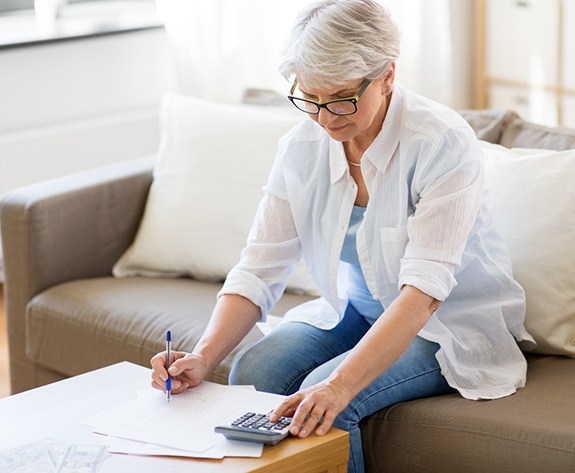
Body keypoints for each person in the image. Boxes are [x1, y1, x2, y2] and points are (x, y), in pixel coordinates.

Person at [151, 1, 536, 471]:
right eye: (310, 99)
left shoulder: (440, 143)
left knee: (324, 402)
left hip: (445, 324)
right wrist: (203, 356)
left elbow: (424, 294)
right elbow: (259, 266)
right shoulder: (302, 147)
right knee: (255, 370)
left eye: (341, 98)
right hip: (358, 309)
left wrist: (338, 386)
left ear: (388, 75)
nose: (327, 119)